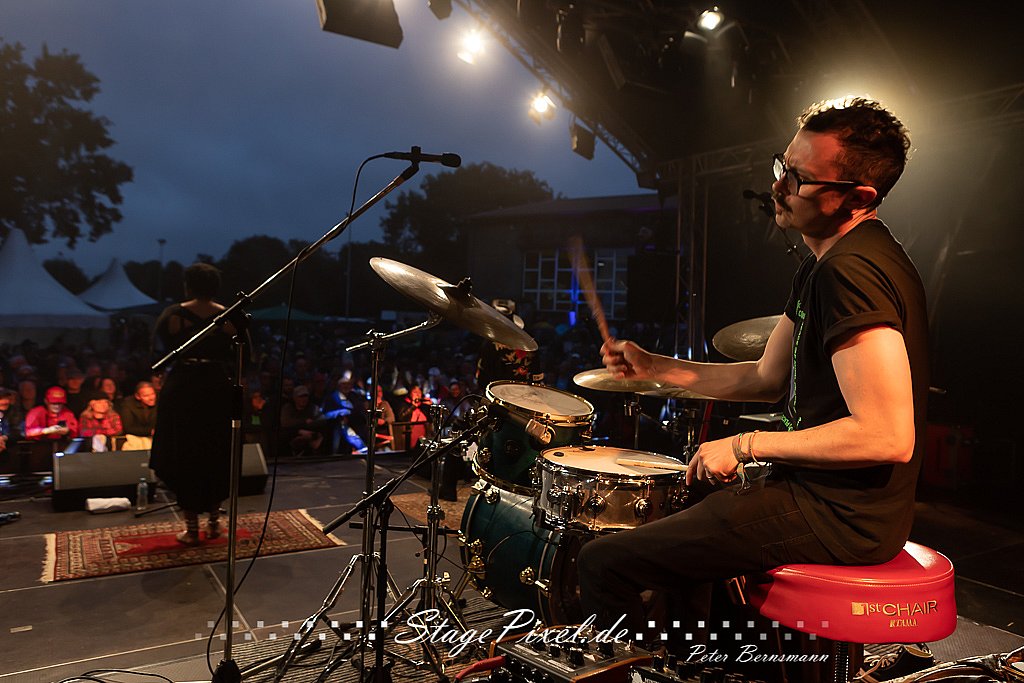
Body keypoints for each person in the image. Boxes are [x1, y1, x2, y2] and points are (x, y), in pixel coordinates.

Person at [578, 98, 928, 657]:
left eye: (800, 179)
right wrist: (657, 368)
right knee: (687, 501)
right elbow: (766, 377)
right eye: (782, 166)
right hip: (819, 495)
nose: (779, 186)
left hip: (842, 516)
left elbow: (887, 435)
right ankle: (692, 660)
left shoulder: (851, 273)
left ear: (858, 197)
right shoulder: (822, 265)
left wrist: (744, 445)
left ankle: (653, 668)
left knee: (603, 563)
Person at [150, 263, 238, 546]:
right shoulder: (230, 315)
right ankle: (213, 522)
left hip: (184, 386)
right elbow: (244, 354)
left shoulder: (173, 314)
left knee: (183, 452)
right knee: (215, 450)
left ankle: (191, 528)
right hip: (216, 386)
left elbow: (156, 351)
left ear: (188, 285)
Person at [475, 299, 544, 388]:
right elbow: (537, 376)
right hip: (525, 392)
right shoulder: (530, 342)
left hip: (498, 391)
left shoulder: (489, 344)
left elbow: (483, 377)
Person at [118, 382, 158, 450]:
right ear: (138, 396)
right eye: (146, 395)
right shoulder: (128, 404)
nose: (151, 398)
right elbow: (128, 428)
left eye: (152, 394)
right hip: (135, 437)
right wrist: (150, 431)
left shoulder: (159, 402)